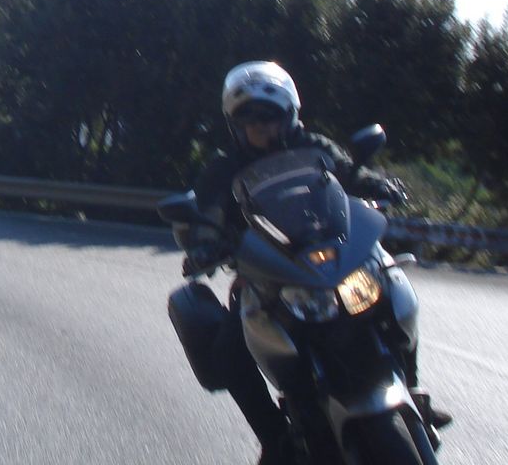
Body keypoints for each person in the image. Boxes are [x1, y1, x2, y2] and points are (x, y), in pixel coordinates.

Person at [180, 61, 447, 465]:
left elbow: (350, 173)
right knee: (231, 351)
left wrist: (378, 184)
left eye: (268, 117)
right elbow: (207, 212)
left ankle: (413, 389)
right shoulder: (224, 167)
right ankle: (275, 437)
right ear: (235, 125)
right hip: (267, 275)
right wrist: (203, 243)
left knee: (392, 290)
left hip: (336, 258)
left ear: (289, 115)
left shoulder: (316, 147)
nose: (260, 127)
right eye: (249, 120)